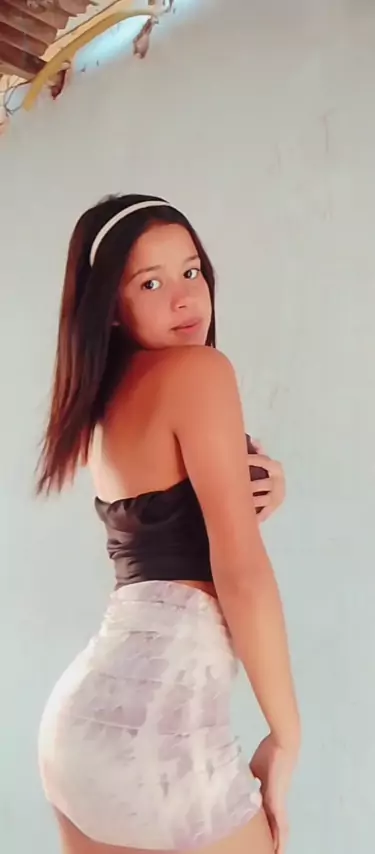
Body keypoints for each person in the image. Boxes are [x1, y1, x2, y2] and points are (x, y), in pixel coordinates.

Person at [36, 194, 301, 854]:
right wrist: (285, 736)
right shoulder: (199, 371)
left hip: (78, 737)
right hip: (161, 733)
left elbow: (165, 533)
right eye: (150, 284)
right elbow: (240, 573)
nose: (185, 298)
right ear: (111, 307)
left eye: (192, 271)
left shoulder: (100, 405)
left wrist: (261, 481)